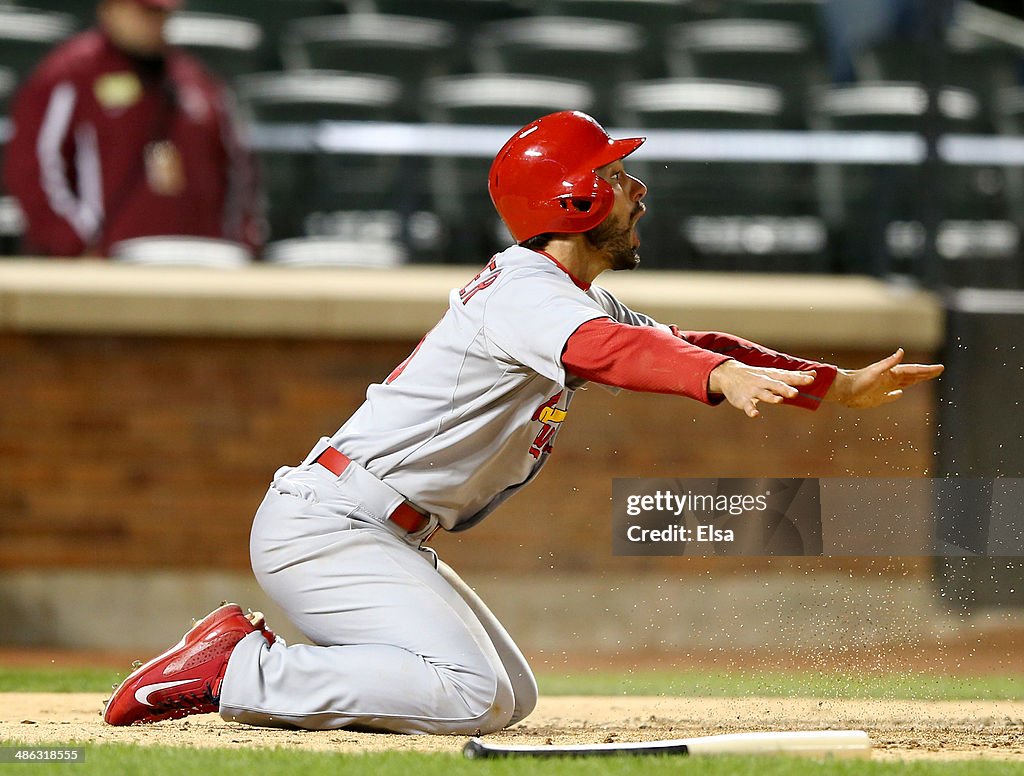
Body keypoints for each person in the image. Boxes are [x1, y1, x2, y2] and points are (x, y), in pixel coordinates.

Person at [102, 111, 943, 733]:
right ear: (571, 199)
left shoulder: (559, 293)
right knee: (467, 694)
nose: (634, 191)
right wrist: (718, 379)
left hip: (375, 530)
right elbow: (615, 352)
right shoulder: (527, 293)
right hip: (330, 531)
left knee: (509, 696)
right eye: (615, 177)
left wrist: (826, 385)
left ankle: (262, 672)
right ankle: (242, 669)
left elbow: (678, 341)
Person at [2, 0, 263, 258]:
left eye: (160, 13)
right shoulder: (71, 74)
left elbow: (239, 172)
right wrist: (73, 244)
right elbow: (33, 165)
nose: (154, 22)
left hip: (198, 265)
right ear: (110, 9)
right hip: (105, 267)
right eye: (143, 11)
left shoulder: (196, 81)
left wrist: (240, 243)